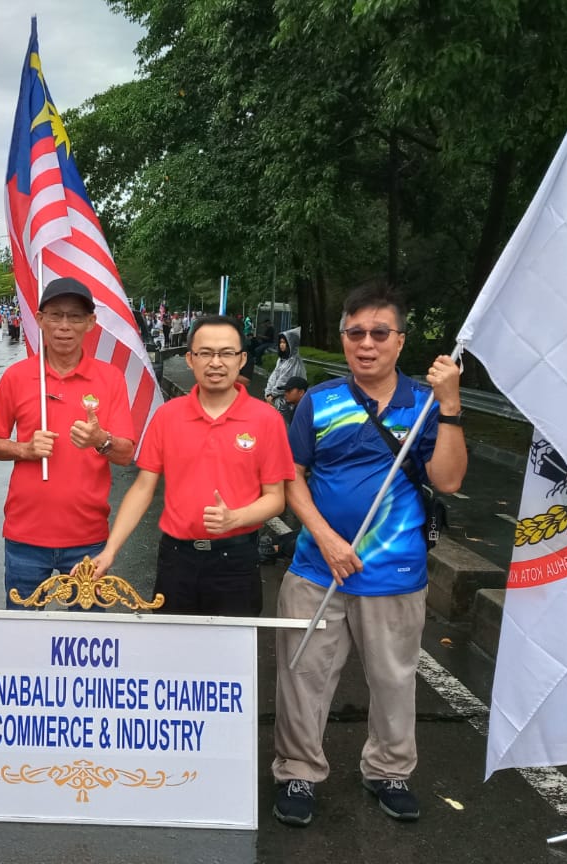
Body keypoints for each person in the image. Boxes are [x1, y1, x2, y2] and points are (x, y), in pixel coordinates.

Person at [272, 287, 466, 828]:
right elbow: (293, 476)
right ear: (343, 339)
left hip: (395, 572)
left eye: (380, 333)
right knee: (303, 675)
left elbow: (447, 479)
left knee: (393, 680)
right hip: (317, 568)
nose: (367, 343)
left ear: (400, 341)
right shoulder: (319, 400)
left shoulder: (425, 403)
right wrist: (326, 539)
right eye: (355, 333)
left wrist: (449, 405)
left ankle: (388, 769)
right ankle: (298, 771)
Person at [92, 315, 292, 616]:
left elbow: (276, 498)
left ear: (241, 360)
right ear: (190, 359)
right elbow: (144, 488)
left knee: (230, 657)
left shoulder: (266, 420)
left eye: (226, 353)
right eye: (205, 353)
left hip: (236, 562)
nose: (216, 362)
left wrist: (235, 518)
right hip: (177, 559)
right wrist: (110, 551)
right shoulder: (167, 417)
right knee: (173, 656)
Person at [0, 277, 136, 609]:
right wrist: (23, 449)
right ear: (39, 320)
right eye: (55, 315)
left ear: (90, 323)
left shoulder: (110, 379)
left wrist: (101, 440)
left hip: (88, 541)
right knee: (22, 643)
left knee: (84, 645)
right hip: (25, 537)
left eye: (75, 317)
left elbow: (126, 454)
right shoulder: (18, 377)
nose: (64, 326)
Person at [264, 328, 306, 405]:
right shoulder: (281, 359)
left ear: (291, 344)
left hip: (286, 400)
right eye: (280, 342)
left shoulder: (294, 361)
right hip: (275, 396)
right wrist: (268, 392)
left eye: (284, 342)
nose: (281, 345)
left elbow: (284, 380)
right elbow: (274, 375)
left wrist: (272, 395)